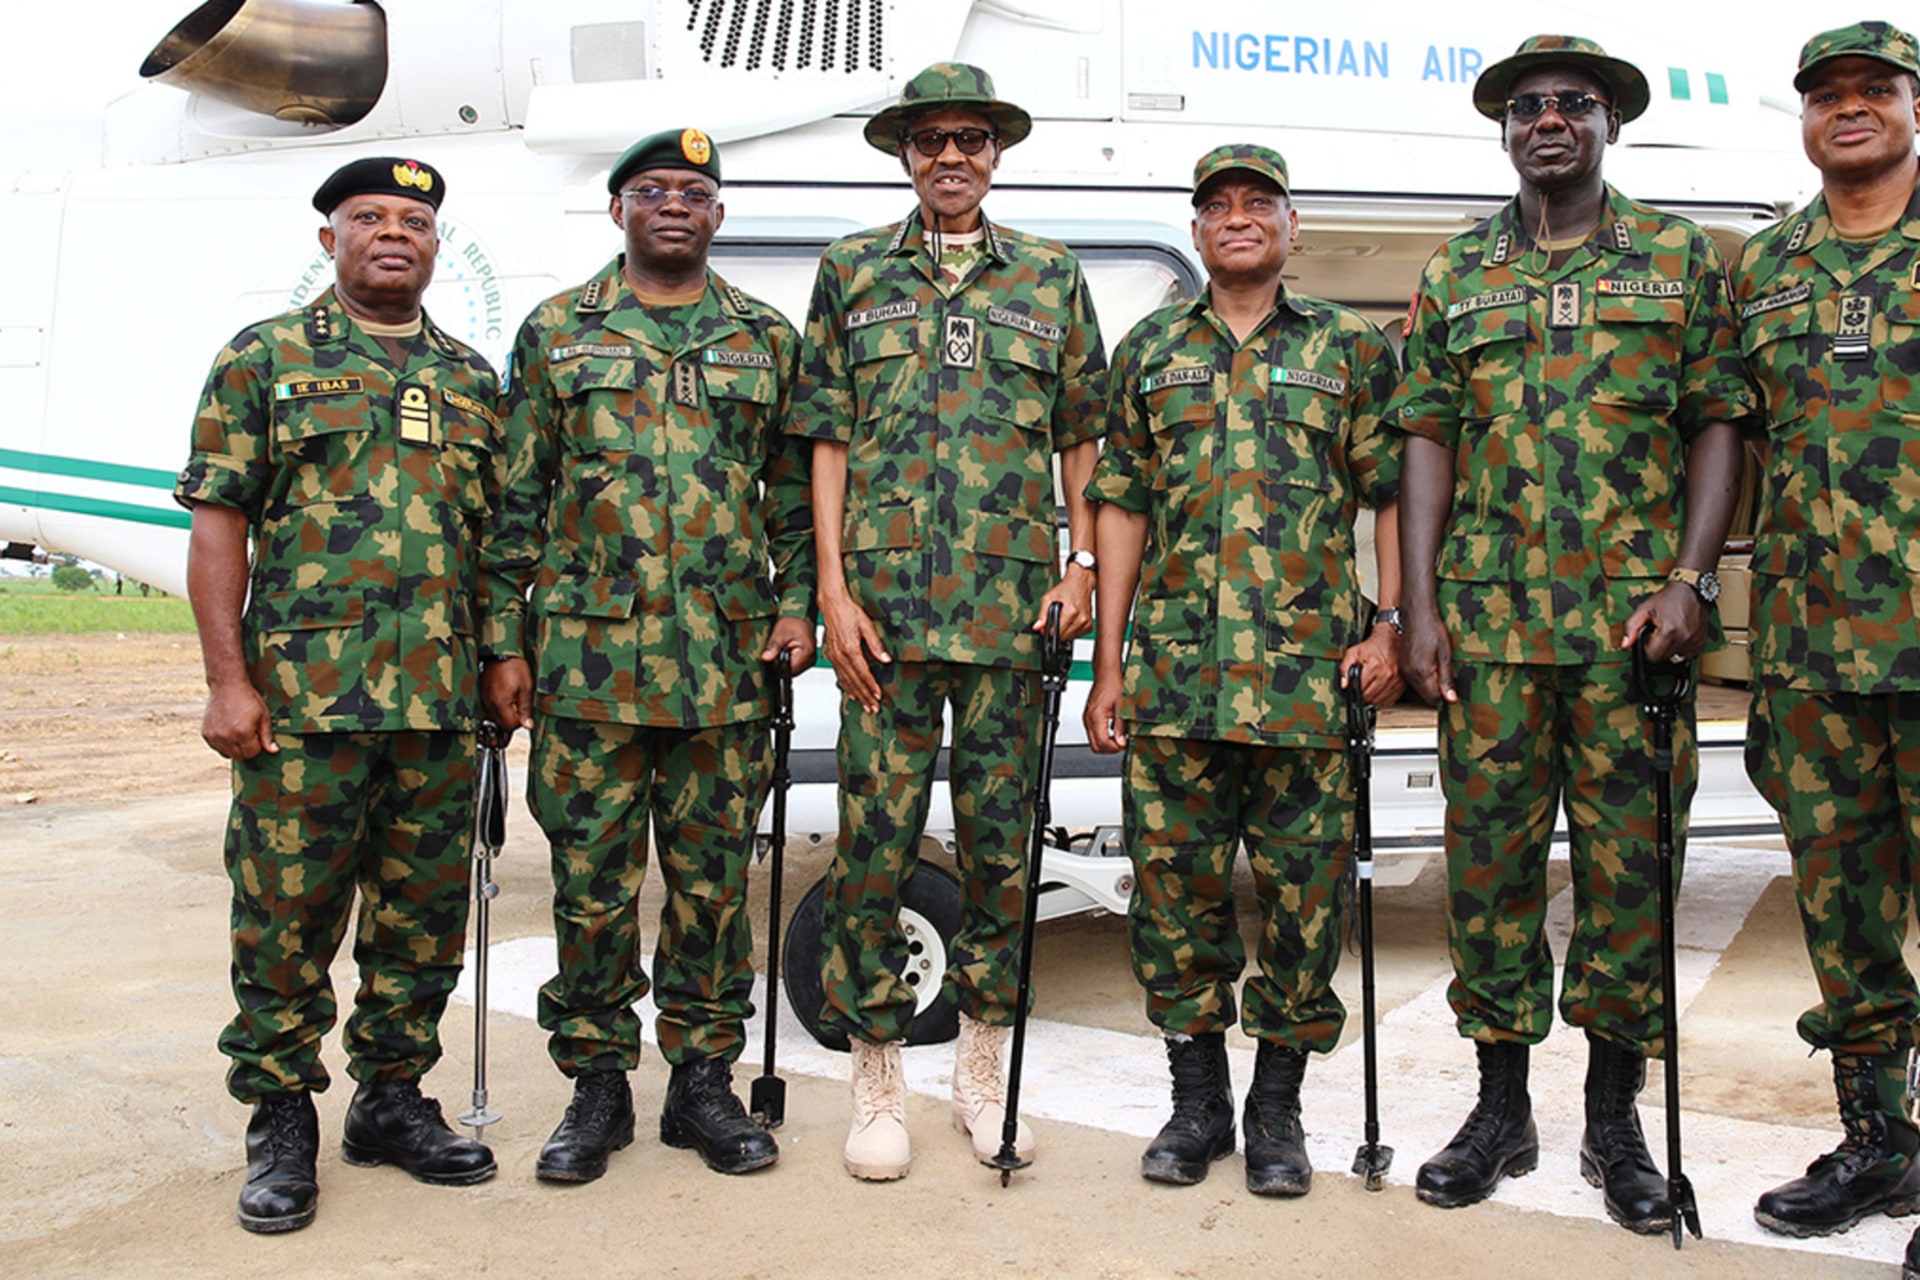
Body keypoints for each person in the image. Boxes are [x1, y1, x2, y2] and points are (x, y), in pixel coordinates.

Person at [1388, 35, 1753, 1232]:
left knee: (1630, 880)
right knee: (1487, 878)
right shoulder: (1460, 271)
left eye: (1575, 105)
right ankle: (1501, 1108)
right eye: (1530, 107)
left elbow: (1718, 420)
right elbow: (1426, 436)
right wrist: (1423, 604)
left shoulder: (1677, 257)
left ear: (1609, 125)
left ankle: (1614, 1117)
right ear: (1505, 131)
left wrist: (1693, 575)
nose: (1551, 121)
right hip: (1489, 635)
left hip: (1629, 638)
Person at [788, 62, 1106, 1181]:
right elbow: (824, 436)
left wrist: (1080, 565)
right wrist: (829, 586)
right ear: (905, 156)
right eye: (931, 141)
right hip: (885, 618)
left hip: (1016, 616)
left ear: (996, 151)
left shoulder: (1051, 276)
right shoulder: (851, 271)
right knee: (873, 851)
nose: (951, 157)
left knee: (1004, 851)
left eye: (969, 137)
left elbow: (1081, 433)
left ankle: (981, 1063)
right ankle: (876, 1069)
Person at [479, 128, 815, 1183]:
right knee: (589, 885)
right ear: (618, 208)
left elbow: (797, 494)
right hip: (589, 668)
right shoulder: (556, 333)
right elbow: (514, 499)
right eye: (653, 189)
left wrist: (800, 602)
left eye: (696, 192)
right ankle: (596, 1084)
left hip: (723, 665)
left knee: (712, 884)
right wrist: (501, 639)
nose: (676, 204)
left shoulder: (764, 337)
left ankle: (702, 1084)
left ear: (717, 216)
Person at [175, 156, 501, 1234]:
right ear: (330, 241)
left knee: (421, 923)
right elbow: (218, 518)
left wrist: (502, 661)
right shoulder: (265, 359)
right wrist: (228, 677)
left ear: (436, 246)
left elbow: (497, 545)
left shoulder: (468, 378)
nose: (394, 233)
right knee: (284, 920)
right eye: (370, 217)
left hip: (440, 705)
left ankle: (392, 1099)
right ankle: (280, 1119)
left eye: (415, 219)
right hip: (304, 704)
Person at [1082, 144, 1404, 1193]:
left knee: (1307, 901)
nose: (1236, 219)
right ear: (1198, 230)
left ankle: (1276, 1110)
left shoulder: (1351, 353)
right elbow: (1119, 504)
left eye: (1256, 203)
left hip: (1309, 678)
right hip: (1175, 679)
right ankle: (1198, 1103)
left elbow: (1390, 490)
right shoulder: (1148, 352)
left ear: (1290, 226)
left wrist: (1390, 622)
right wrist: (1112, 661)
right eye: (1216, 206)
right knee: (1174, 900)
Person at [1730, 21, 1920, 1242]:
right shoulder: (1763, 268)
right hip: (1811, 659)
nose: (1848, 109)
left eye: (1875, 89)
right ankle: (1879, 1144)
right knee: (1844, 917)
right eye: (1827, 95)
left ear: (1911, 105)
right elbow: (1736, 444)